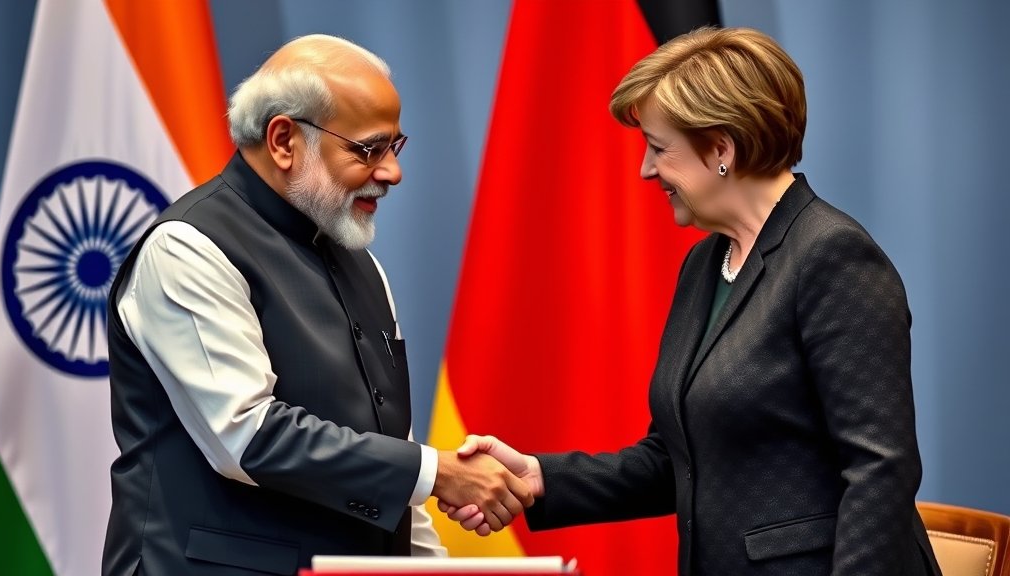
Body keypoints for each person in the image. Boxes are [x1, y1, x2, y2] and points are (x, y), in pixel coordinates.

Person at [440, 27, 942, 576]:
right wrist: (539, 477)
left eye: (658, 148)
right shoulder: (705, 264)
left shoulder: (832, 256)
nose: (646, 170)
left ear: (721, 148)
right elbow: (679, 458)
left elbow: (880, 469)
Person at [102, 35, 533, 576]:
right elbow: (249, 437)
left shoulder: (361, 263)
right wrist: (436, 472)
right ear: (284, 140)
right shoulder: (188, 247)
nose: (391, 172)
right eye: (368, 149)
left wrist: (433, 566)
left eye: (395, 148)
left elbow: (387, 452)